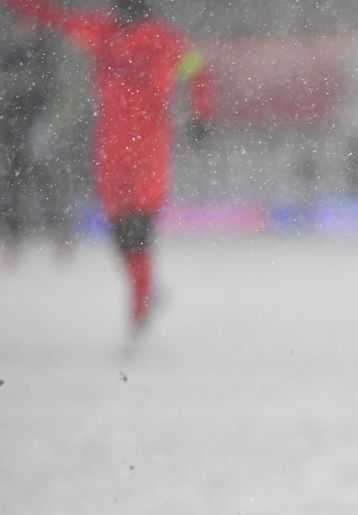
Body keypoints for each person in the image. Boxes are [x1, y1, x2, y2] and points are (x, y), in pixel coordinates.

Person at [3, 0, 213, 330]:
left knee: (138, 227)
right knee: (120, 231)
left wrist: (202, 112)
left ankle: (140, 302)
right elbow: (55, 18)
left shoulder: (164, 40)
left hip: (148, 150)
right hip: (111, 151)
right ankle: (143, 290)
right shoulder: (103, 32)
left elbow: (197, 70)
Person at [0, 15, 56, 267]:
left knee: (47, 181)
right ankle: (13, 239)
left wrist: (46, 124)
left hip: (35, 129)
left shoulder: (42, 58)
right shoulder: (6, 58)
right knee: (12, 186)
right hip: (10, 131)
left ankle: (59, 233)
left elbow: (51, 95)